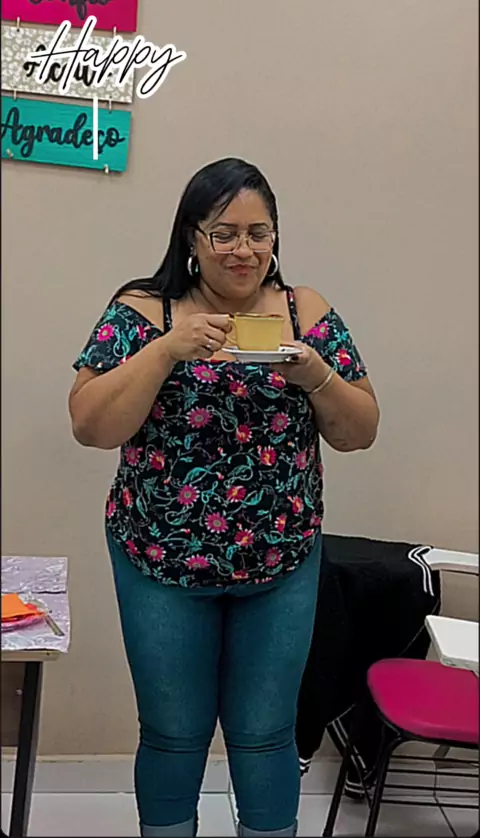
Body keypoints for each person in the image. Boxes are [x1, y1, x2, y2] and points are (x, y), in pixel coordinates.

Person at [68, 157, 379, 838]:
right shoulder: (144, 311)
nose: (244, 249)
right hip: (160, 561)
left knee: (266, 734)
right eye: (224, 233)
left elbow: (360, 432)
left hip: (281, 562)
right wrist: (166, 352)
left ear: (275, 237)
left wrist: (316, 373)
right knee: (173, 733)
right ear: (192, 237)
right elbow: (90, 425)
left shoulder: (305, 312)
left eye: (258, 233)